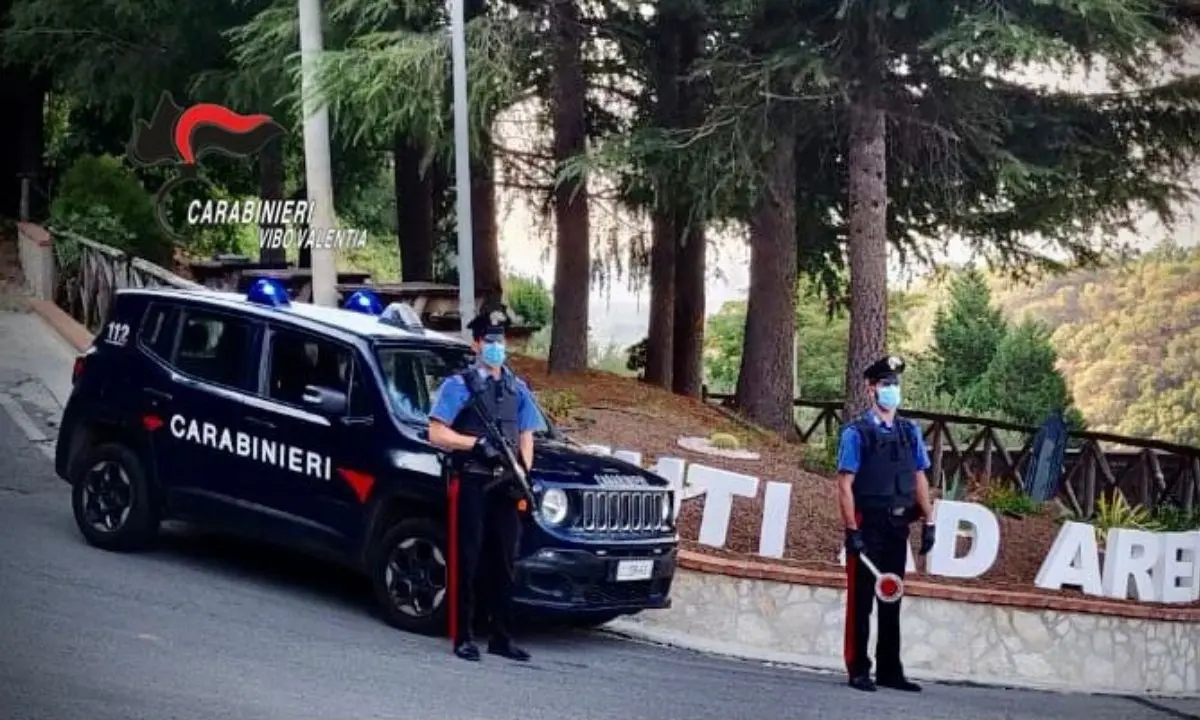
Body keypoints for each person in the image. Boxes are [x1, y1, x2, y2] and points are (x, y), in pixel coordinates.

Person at [427, 303, 540, 663]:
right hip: (473, 482)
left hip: (506, 485)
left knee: (505, 562)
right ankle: (463, 636)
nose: (497, 346)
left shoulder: (516, 386)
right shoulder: (459, 385)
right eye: (490, 340)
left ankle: (501, 637)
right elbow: (437, 433)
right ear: (476, 345)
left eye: (501, 340)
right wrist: (474, 444)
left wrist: (523, 470)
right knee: (467, 560)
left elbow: (527, 433)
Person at [836, 355, 937, 693]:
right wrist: (852, 531)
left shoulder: (910, 432)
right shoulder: (857, 432)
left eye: (894, 384)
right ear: (871, 390)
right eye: (884, 384)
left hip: (898, 525)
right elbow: (845, 484)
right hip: (868, 522)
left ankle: (890, 670)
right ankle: (858, 669)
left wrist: (930, 520)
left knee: (891, 596)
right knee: (861, 600)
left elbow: (920, 476)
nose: (891, 390)